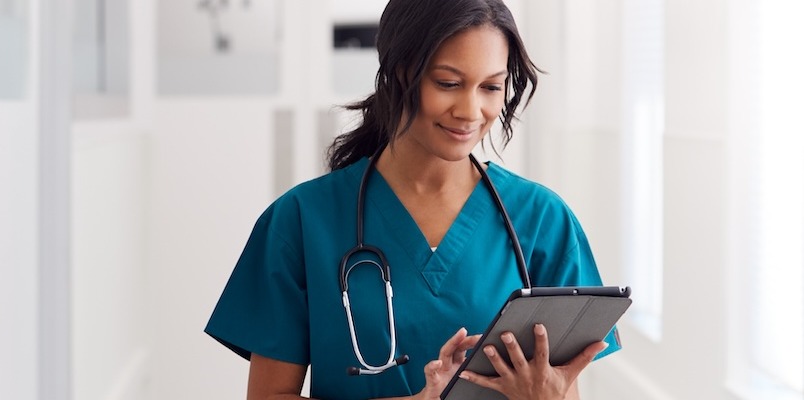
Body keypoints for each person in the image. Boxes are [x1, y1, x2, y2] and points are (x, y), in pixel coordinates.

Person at [204, 0, 621, 399]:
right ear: (400, 73)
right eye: (448, 83)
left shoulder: (543, 221)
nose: (470, 110)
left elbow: (565, 387)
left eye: (491, 87)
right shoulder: (300, 221)